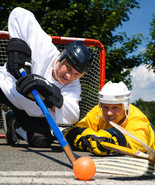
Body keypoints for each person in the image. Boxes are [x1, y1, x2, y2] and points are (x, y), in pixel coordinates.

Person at [0, 7, 93, 147]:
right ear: (61, 57)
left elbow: (72, 115)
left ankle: (15, 124)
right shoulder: (44, 47)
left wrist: (50, 90)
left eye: (76, 74)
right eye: (68, 68)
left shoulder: (74, 84)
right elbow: (19, 14)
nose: (69, 76)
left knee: (42, 141)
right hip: (5, 86)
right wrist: (18, 51)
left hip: (28, 111)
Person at [64, 81, 155, 156]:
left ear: (126, 106)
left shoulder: (137, 118)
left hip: (153, 136)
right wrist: (88, 140)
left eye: (115, 108)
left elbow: (140, 143)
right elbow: (75, 130)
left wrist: (112, 141)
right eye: (105, 107)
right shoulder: (97, 111)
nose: (109, 113)